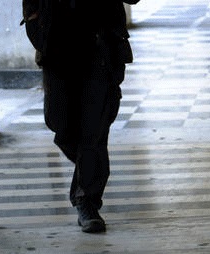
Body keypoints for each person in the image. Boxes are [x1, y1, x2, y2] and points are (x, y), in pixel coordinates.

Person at [21, 0, 140, 233]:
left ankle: (87, 201)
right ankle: (92, 164)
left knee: (93, 128)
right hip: (57, 46)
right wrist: (34, 20)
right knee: (60, 124)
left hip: (100, 46)